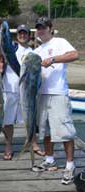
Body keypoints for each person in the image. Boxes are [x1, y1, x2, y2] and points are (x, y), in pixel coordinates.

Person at [32, 16, 79, 185]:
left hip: (58, 93)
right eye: (39, 27)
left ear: (50, 28)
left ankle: (70, 165)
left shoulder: (60, 42)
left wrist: (53, 59)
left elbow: (75, 55)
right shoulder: (36, 51)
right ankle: (49, 159)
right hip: (41, 95)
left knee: (65, 131)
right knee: (45, 130)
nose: (41, 30)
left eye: (44, 27)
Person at [0, 24, 45, 160]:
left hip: (28, 91)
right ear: (16, 35)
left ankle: (34, 144)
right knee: (8, 120)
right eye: (20, 33)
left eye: (25, 33)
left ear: (29, 35)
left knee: (31, 118)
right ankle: (8, 147)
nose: (22, 35)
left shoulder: (34, 52)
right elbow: (0, 53)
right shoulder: (11, 47)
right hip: (10, 88)